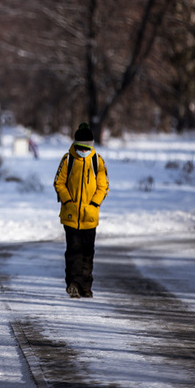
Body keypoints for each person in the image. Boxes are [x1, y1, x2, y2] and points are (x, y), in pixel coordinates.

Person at [53, 122, 108, 299]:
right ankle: (74, 284)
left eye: (86, 148)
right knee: (73, 252)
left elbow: (103, 186)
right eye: (80, 147)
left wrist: (94, 204)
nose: (83, 151)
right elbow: (59, 182)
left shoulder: (97, 161)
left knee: (87, 253)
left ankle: (86, 286)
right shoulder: (67, 160)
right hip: (71, 216)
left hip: (89, 216)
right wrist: (68, 201)